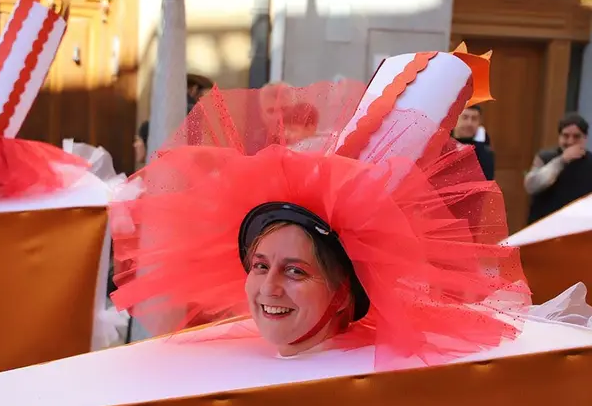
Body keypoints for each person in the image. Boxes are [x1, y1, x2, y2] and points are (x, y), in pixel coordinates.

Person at [109, 69, 530, 370]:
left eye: (296, 270)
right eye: (259, 265)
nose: (268, 287)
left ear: (344, 291)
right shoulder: (214, 370)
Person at [525, 113, 592, 225]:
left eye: (576, 136)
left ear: (585, 138)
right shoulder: (545, 158)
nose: (570, 142)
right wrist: (562, 160)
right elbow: (531, 186)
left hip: (579, 224)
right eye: (566, 136)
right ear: (559, 137)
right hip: (545, 224)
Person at [451, 105, 495, 180]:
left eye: (474, 119)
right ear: (455, 119)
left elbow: (486, 179)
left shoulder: (484, 149)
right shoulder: (441, 145)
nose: (469, 123)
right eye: (465, 117)